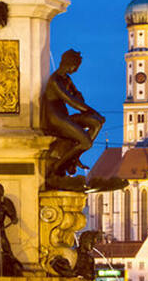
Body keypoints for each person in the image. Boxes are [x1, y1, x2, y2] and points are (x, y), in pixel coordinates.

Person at [42, 49, 104, 182]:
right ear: (70, 64)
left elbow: (77, 96)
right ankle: (58, 167)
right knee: (86, 142)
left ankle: (73, 158)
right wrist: (91, 110)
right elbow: (71, 101)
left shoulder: (66, 79)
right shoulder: (55, 80)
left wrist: (79, 96)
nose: (76, 70)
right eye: (76, 67)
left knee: (97, 122)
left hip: (64, 117)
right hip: (56, 120)